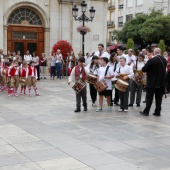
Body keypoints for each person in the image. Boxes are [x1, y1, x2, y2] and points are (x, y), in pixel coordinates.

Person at [140, 48, 167, 116]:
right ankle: (157, 112)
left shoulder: (151, 60)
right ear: (160, 52)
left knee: (149, 98)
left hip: (152, 82)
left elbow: (144, 69)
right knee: (159, 98)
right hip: (161, 83)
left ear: (154, 53)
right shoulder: (164, 60)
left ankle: (146, 111)